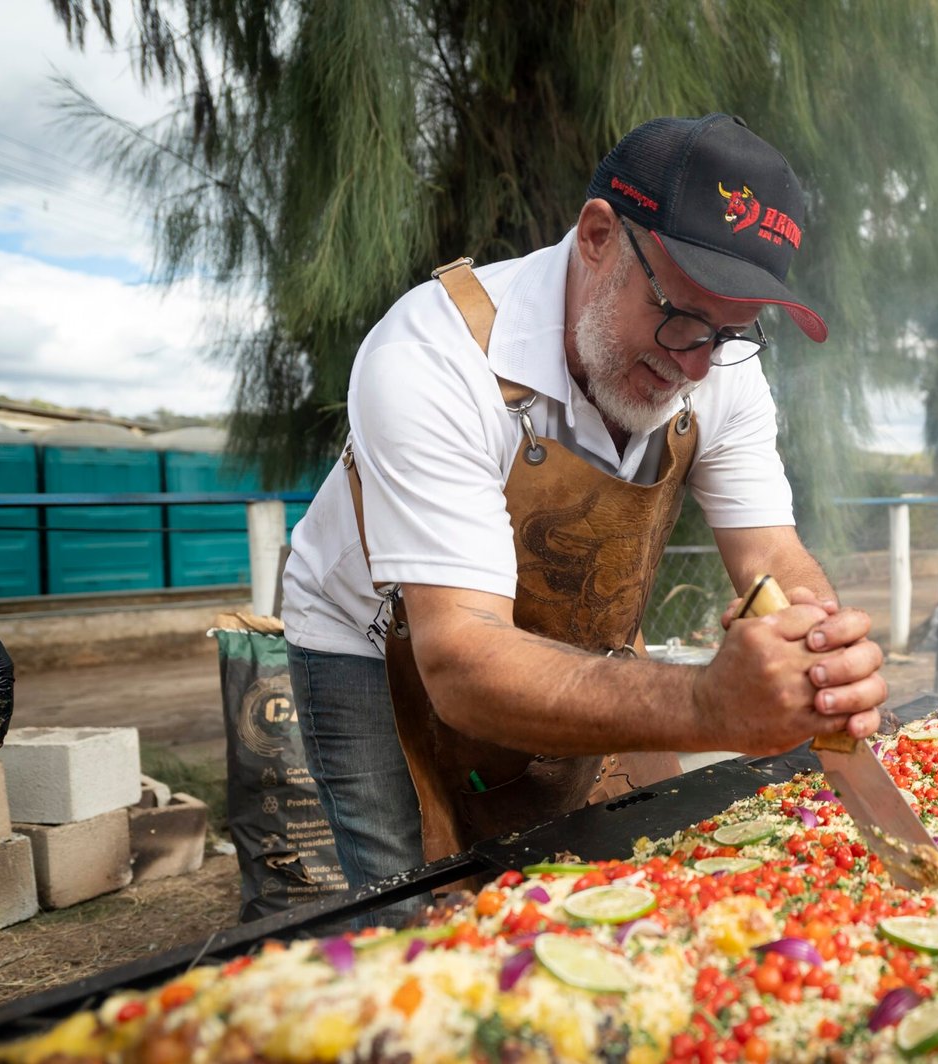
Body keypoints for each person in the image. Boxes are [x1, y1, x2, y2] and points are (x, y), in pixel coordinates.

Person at [280, 114, 885, 902]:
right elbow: (462, 663)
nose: (694, 364)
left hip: (565, 632)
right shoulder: (432, 355)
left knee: (594, 880)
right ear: (598, 235)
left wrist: (820, 653)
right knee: (418, 906)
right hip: (376, 643)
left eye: (731, 332)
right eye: (680, 314)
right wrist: (706, 704)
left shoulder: (715, 360)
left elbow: (772, 556)